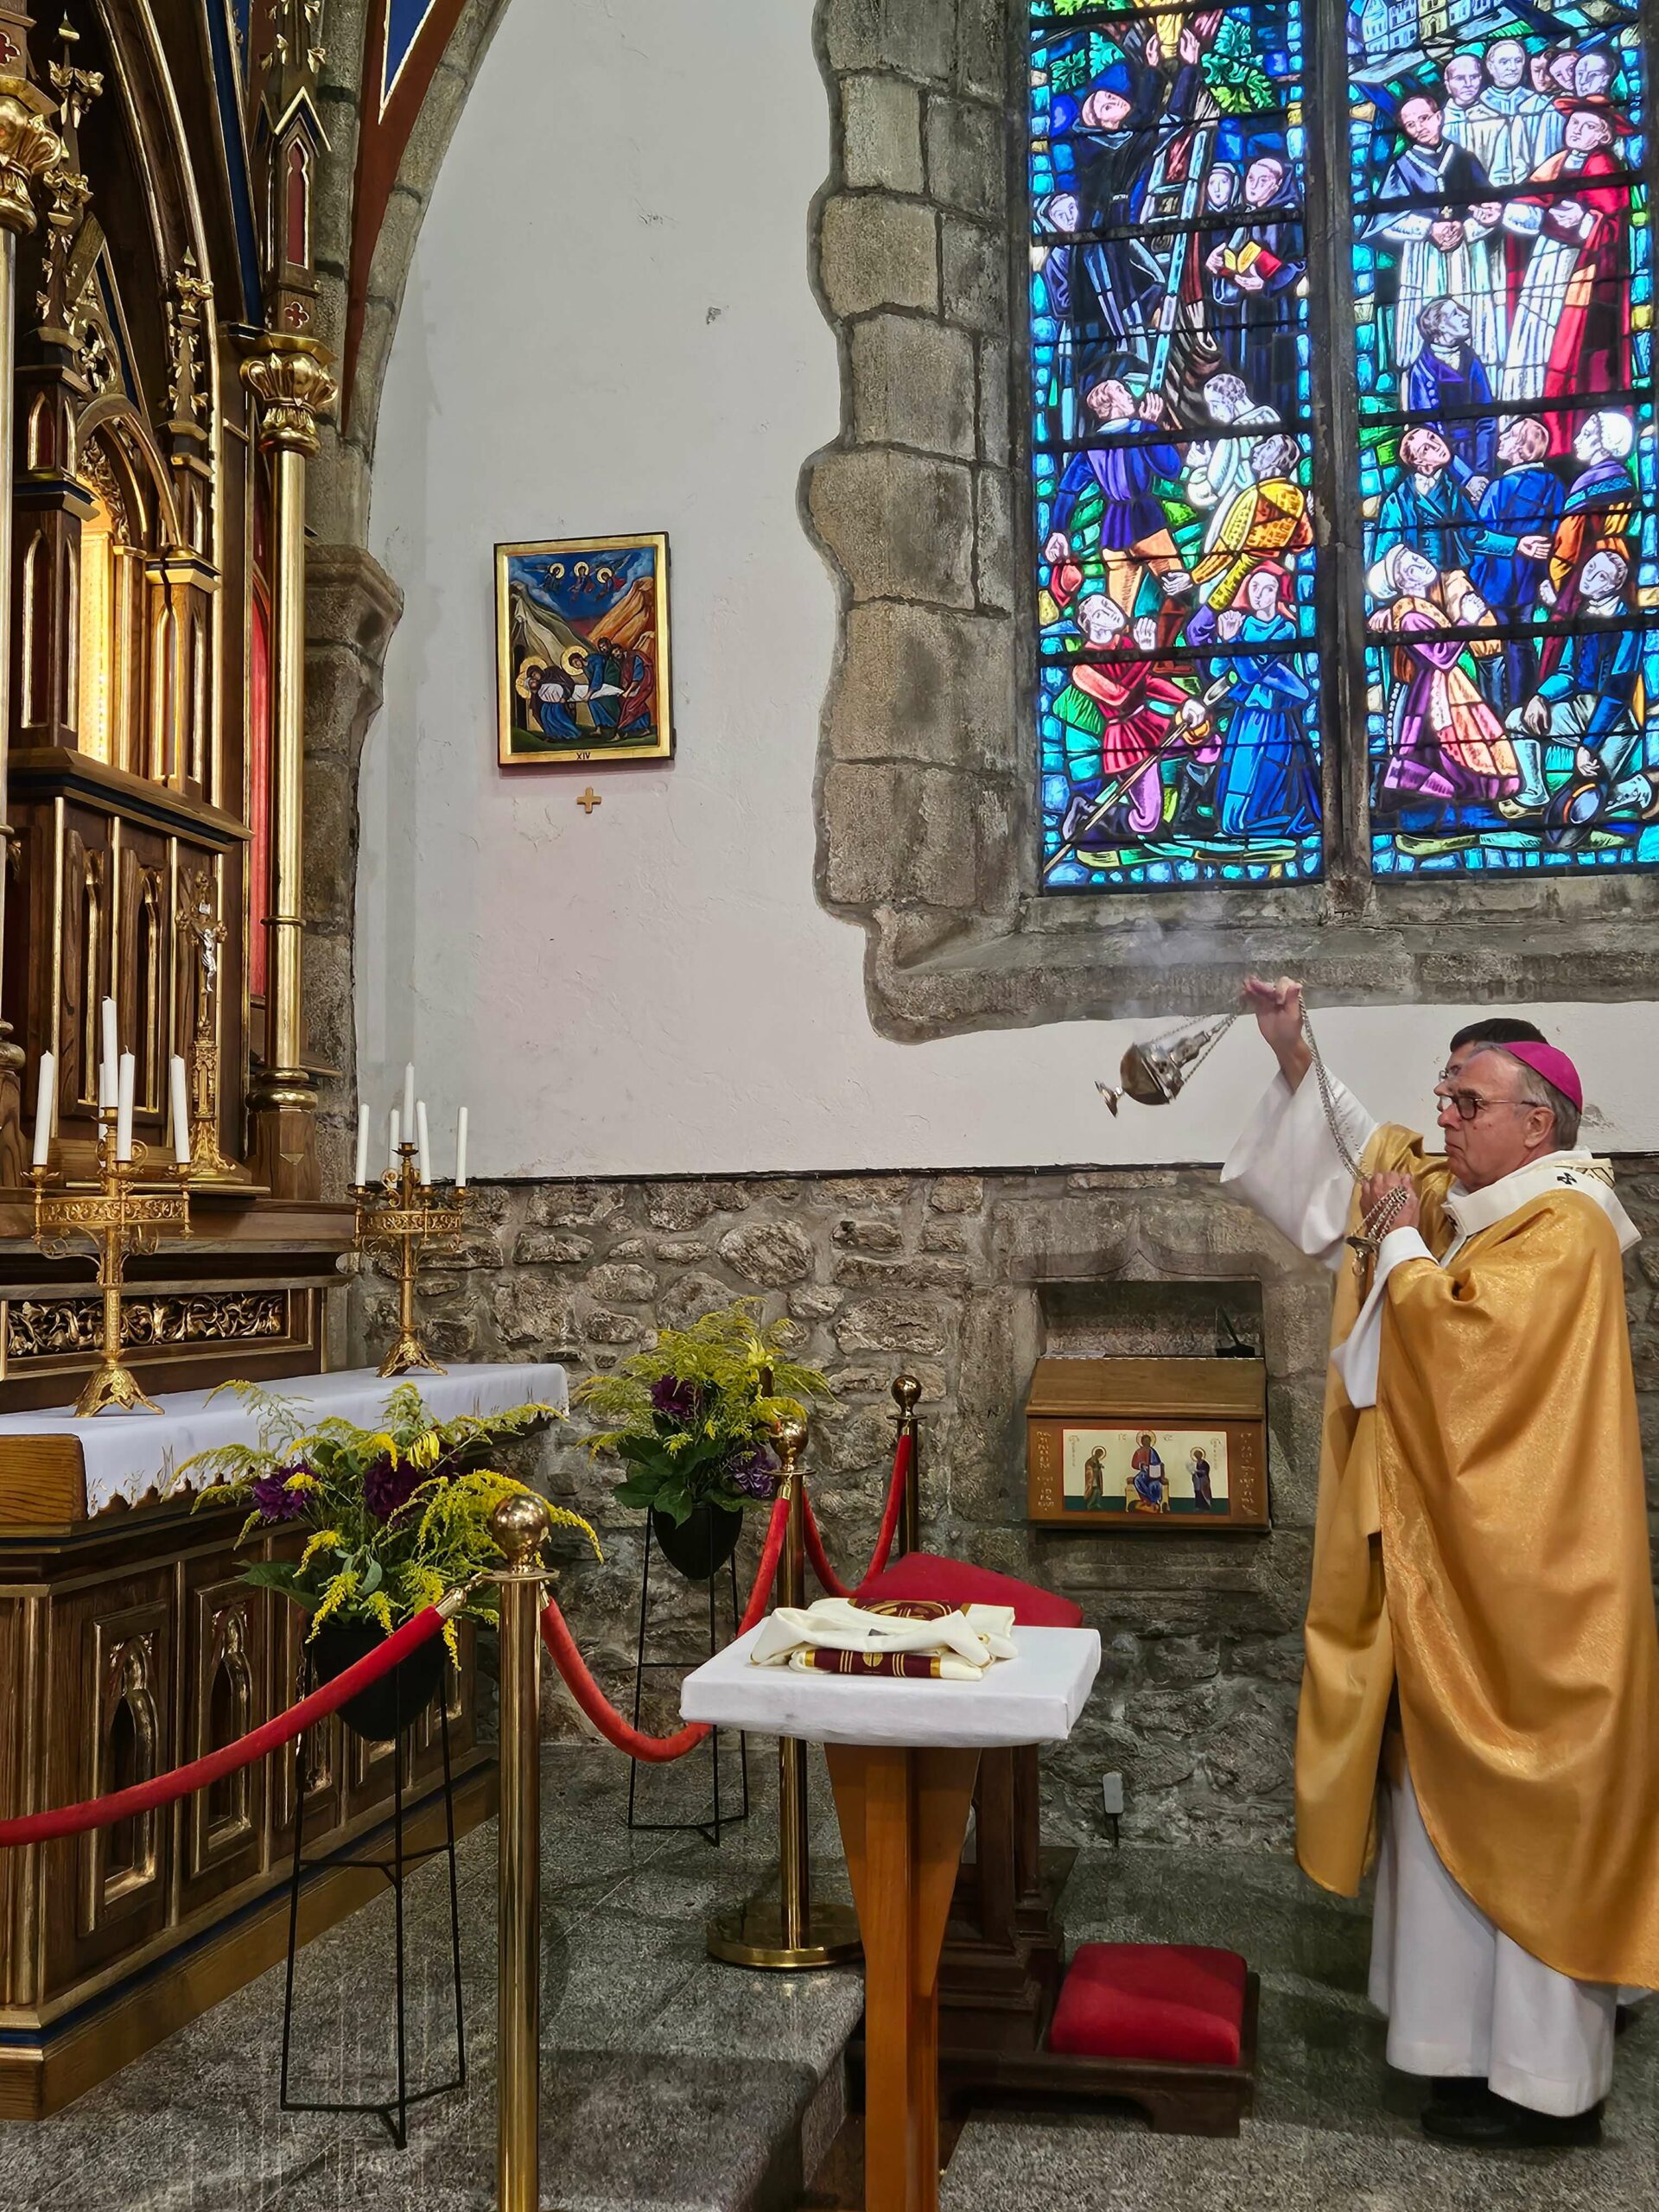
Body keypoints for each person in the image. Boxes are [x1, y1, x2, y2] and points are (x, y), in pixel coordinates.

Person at [1221, 976, 1658, 2148]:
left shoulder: (1566, 1226)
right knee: (1436, 1822)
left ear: (1538, 1121)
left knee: (1536, 1827)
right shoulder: (1472, 1202)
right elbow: (1369, 1149)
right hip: (1455, 1587)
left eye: (1467, 1103)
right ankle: (1459, 2056)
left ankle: (1550, 2093)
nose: (1445, 1120)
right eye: (1448, 1097)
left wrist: (1401, 1243)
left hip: (1541, 1605)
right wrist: (1294, 1048)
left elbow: (1470, 1346)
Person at [1367, 545, 1517, 810]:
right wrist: (1466, 621)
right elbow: (1440, 656)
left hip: (1450, 687)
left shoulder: (1426, 606)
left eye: (1415, 557)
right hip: (1433, 694)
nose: (1420, 563)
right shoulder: (1409, 615)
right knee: (1445, 750)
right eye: (1409, 568)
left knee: (1465, 743)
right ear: (1402, 582)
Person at [1366, 96, 1501, 382]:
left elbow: (1492, 211)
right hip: (1422, 262)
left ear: (1439, 117)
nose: (1419, 128)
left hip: (1468, 258)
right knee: (1423, 329)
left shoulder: (1464, 160)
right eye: (1410, 124)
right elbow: (1384, 224)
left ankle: (1482, 389)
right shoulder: (1402, 167)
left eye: (1424, 118)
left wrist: (1468, 227)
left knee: (1474, 321)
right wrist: (1428, 229)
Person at [1463, 416, 1563, 713]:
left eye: (1507, 435)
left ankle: (1499, 712)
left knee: (1495, 646)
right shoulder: (1554, 484)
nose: (1500, 439)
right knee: (1522, 644)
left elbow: (1478, 536)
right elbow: (1557, 532)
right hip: (1529, 582)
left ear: (1520, 447)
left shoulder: (1500, 487)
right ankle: (1523, 706)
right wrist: (1547, 575)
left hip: (1495, 581)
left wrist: (1474, 581)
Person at [1404, 299, 1497, 484]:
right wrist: (1465, 477)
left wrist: (1482, 472)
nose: (1465, 315)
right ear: (1440, 327)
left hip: (1479, 457)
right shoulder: (1421, 371)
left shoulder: (1472, 361)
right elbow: (1428, 432)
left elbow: (1487, 418)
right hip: (1446, 465)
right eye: (1455, 313)